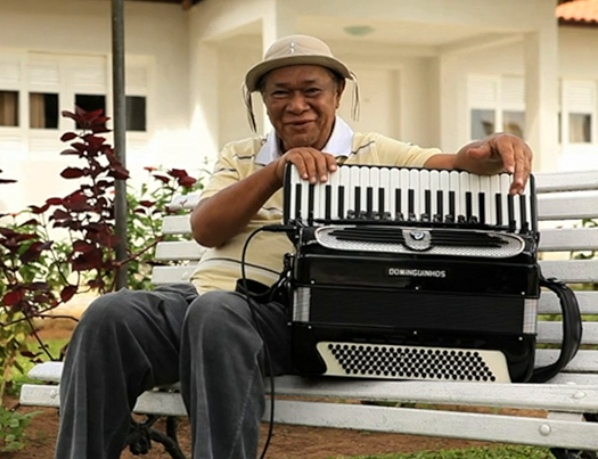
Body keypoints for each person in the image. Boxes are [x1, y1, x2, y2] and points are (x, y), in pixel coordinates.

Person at [54, 34, 533, 459]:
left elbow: (457, 162)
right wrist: (274, 171)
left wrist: (493, 146)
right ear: (264, 101)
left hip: (294, 314)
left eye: (311, 91)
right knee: (110, 314)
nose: (296, 105)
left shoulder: (374, 152)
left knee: (217, 313)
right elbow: (206, 230)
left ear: (337, 94)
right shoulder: (240, 156)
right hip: (201, 303)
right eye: (280, 93)